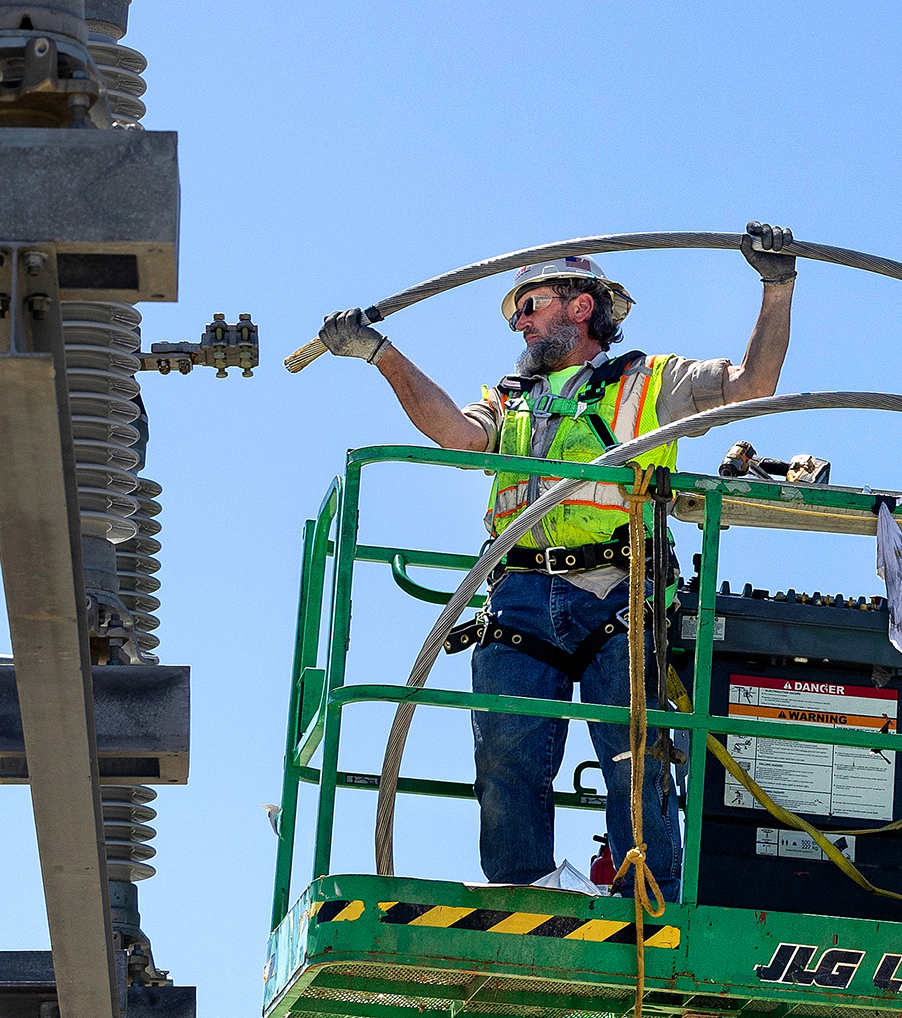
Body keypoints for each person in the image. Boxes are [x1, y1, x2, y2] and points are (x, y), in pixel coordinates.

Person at [316, 226, 799, 895]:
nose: (519, 322)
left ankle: (647, 899)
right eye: (517, 311)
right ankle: (521, 896)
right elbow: (456, 434)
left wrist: (777, 287)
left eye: (531, 303)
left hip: (618, 592)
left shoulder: (652, 383)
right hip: (517, 592)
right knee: (505, 753)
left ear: (580, 306)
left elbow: (754, 385)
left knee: (637, 756)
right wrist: (381, 354)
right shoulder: (511, 398)